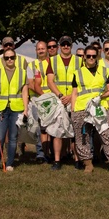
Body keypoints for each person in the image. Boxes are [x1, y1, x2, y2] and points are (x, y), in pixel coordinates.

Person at [70, 45, 109, 173]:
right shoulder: (77, 73)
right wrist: (72, 110)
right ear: (84, 57)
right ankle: (88, 164)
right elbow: (74, 93)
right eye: (88, 56)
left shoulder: (105, 71)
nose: (91, 58)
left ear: (97, 57)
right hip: (81, 107)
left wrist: (100, 96)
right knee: (82, 137)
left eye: (93, 56)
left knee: (107, 135)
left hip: (99, 107)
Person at [0, 46, 29, 172]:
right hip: (1, 108)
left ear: (15, 58)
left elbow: (24, 92)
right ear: (4, 59)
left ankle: (10, 164)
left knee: (13, 138)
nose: (9, 60)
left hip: (17, 108)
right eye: (7, 58)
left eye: (12, 57)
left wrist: (26, 109)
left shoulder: (22, 72)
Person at [47, 36, 78, 166]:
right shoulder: (53, 61)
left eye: (68, 44)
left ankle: (78, 160)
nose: (66, 46)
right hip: (59, 100)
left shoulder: (79, 61)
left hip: (74, 99)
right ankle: (57, 160)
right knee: (57, 131)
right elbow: (50, 81)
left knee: (76, 132)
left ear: (71, 46)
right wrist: (60, 95)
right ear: (59, 46)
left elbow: (82, 82)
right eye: (63, 44)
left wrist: (71, 96)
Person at [28, 40, 53, 165]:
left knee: (51, 128)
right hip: (37, 100)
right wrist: (44, 96)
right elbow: (31, 84)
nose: (41, 50)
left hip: (52, 100)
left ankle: (51, 153)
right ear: (36, 51)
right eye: (39, 49)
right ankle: (40, 154)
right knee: (40, 129)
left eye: (43, 48)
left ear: (47, 50)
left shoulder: (52, 63)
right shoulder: (31, 65)